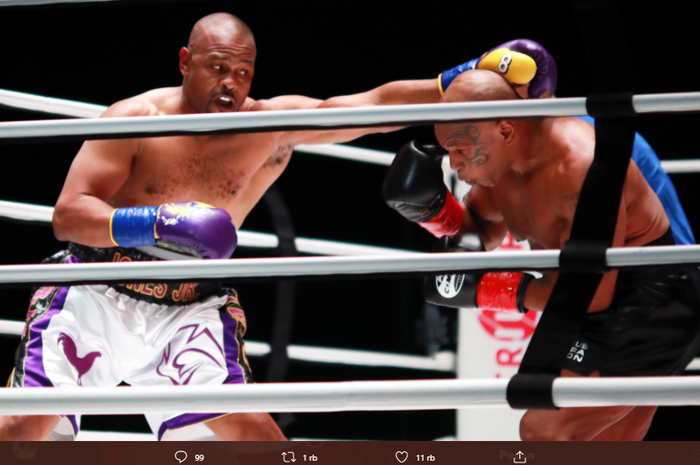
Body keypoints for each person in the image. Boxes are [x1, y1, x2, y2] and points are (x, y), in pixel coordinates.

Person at [0, 12, 446, 441]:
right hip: (96, 290)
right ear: (184, 62)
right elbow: (68, 216)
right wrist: (159, 222)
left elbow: (370, 106)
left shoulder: (268, 126)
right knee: (23, 431)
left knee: (257, 438)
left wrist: (456, 85)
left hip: (189, 307)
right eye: (218, 67)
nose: (231, 83)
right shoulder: (136, 120)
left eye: (244, 71)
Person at [384, 69, 700, 440]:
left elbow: (589, 296)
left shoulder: (582, 167)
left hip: (656, 304)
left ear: (505, 130)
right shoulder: (500, 165)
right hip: (596, 299)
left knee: (543, 430)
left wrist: (490, 290)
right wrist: (436, 214)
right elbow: (481, 230)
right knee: (606, 444)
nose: (453, 165)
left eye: (460, 149)